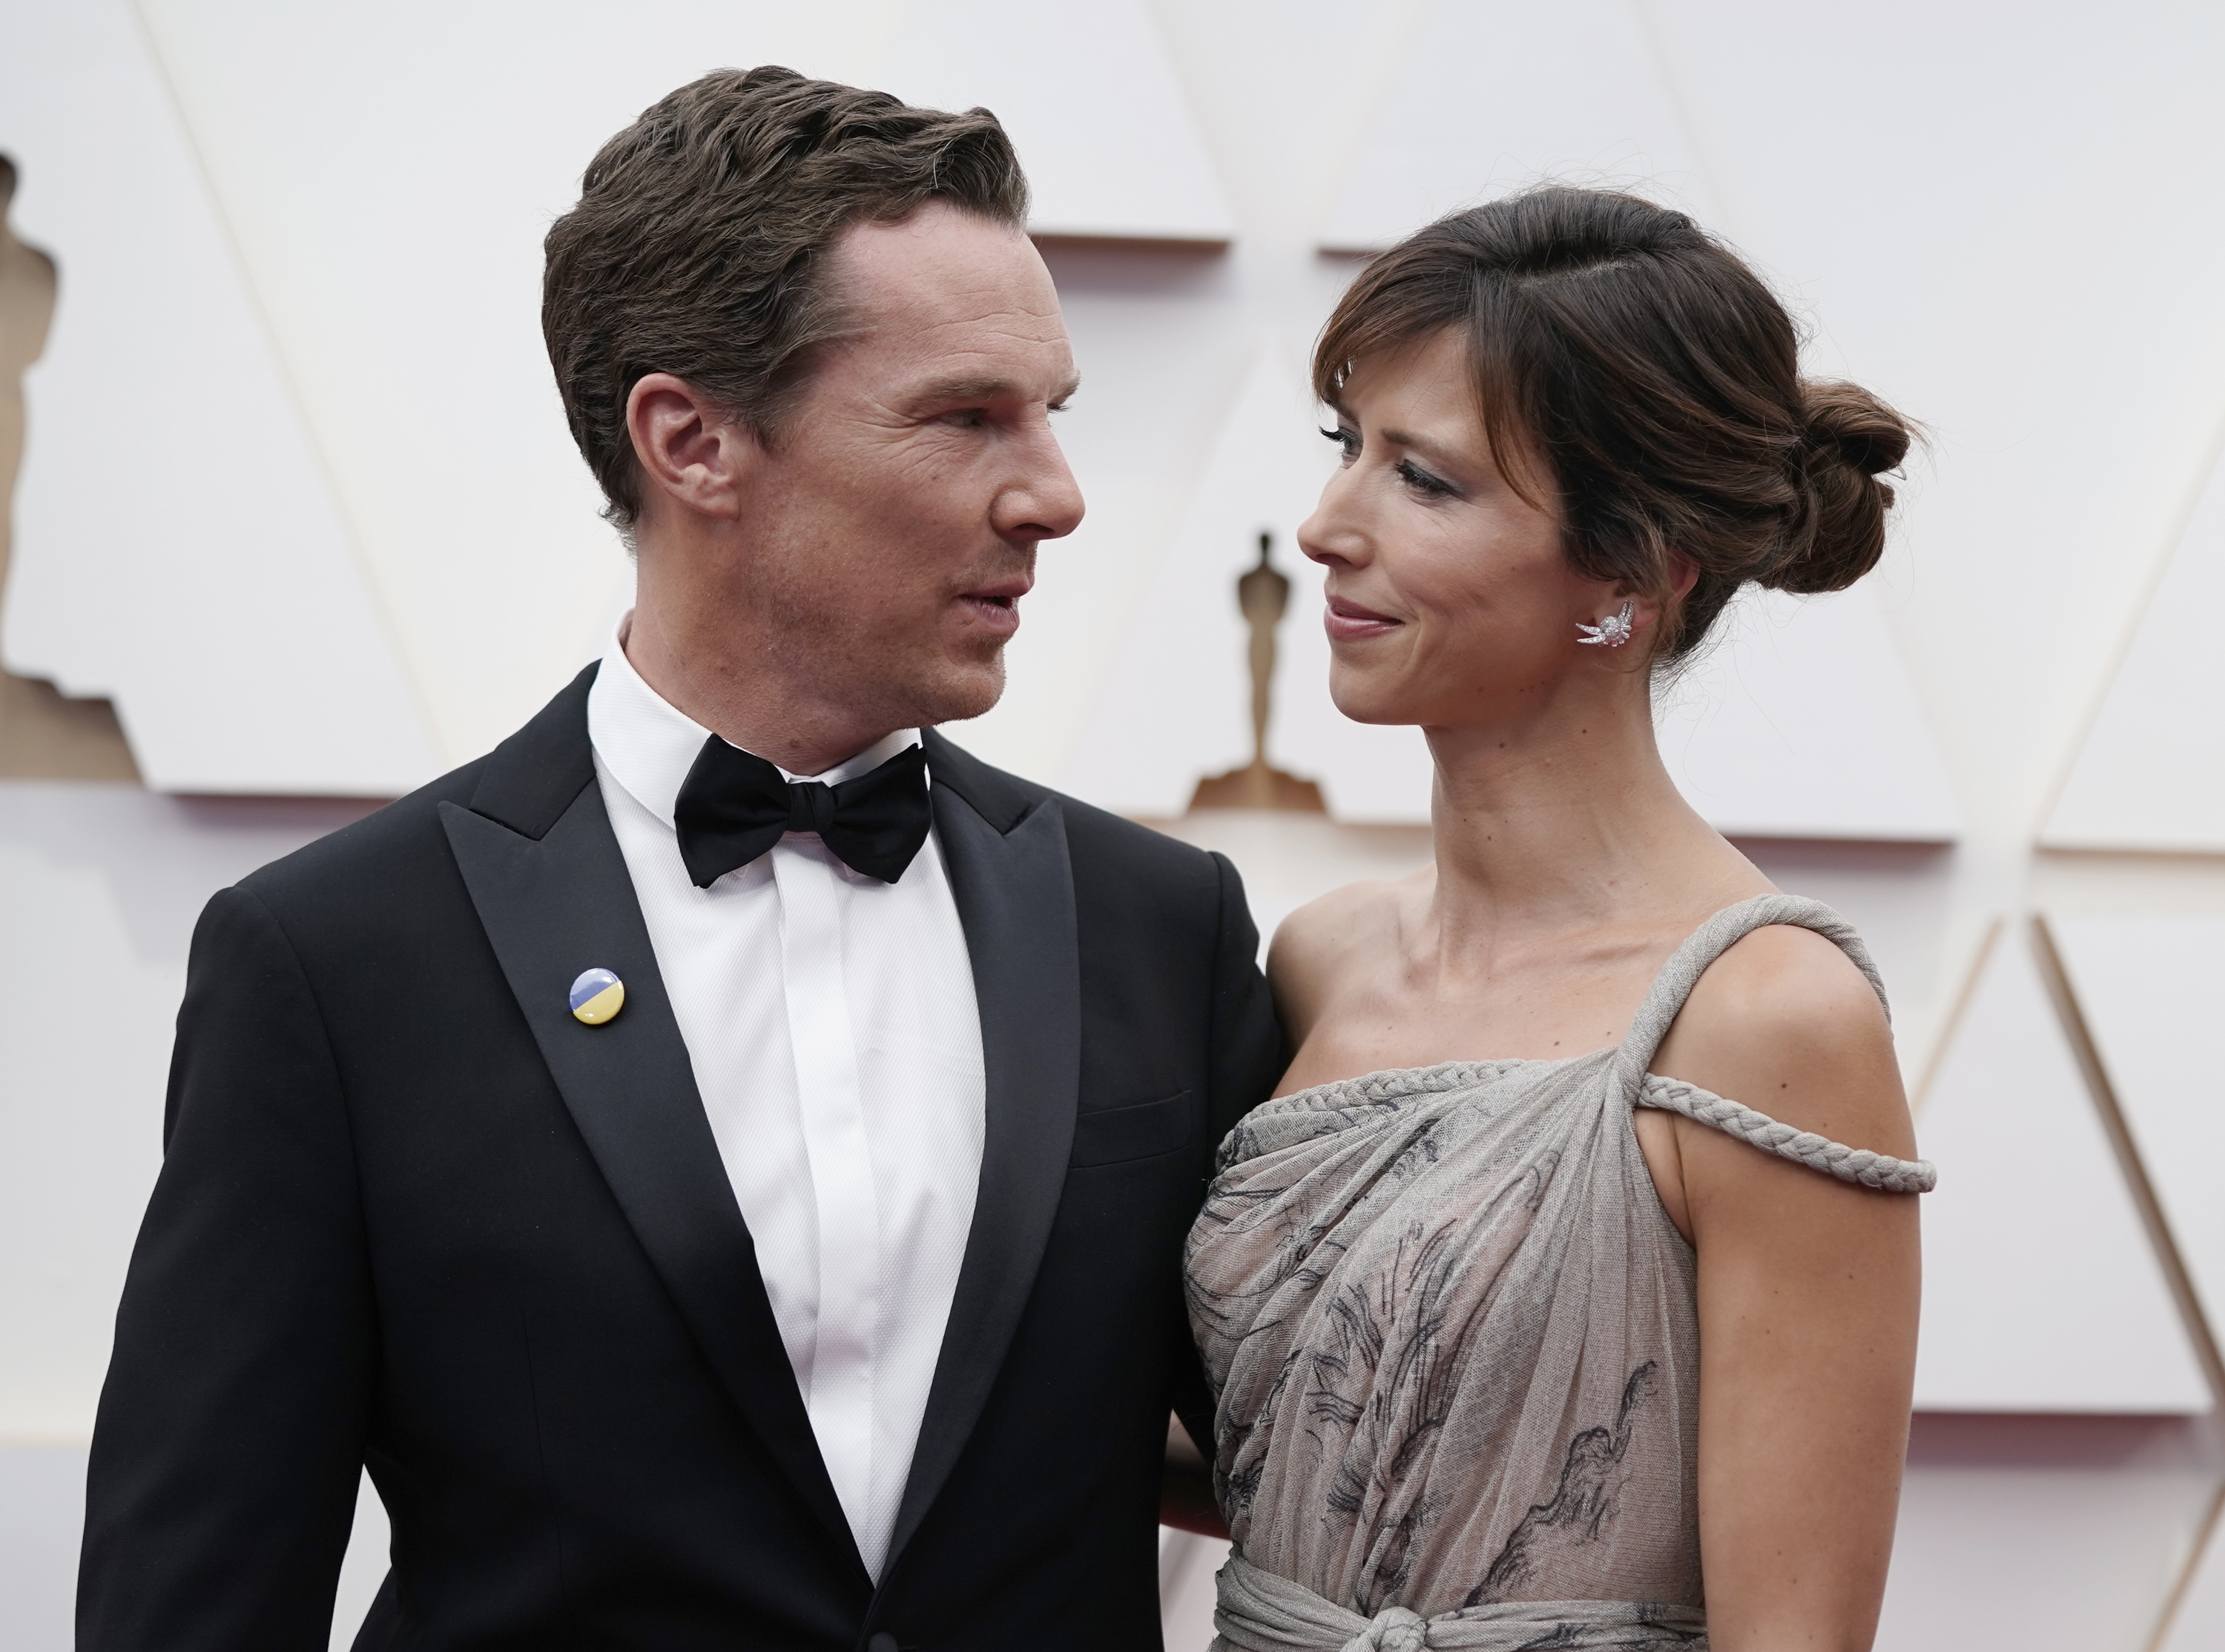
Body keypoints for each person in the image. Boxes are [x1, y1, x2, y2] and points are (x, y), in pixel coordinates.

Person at [78, 67, 1282, 1651]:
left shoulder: (1159, 929)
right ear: (693, 438)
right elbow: (198, 1594)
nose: (1052, 493)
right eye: (967, 416)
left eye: (1053, 410)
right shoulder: (337, 962)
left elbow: (1295, 1451)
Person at [1181, 188, 1933, 1651]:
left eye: (1429, 481)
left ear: (1634, 576)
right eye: (1348, 451)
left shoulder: (1768, 1017)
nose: (1329, 527)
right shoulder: (1319, 960)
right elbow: (1318, 1455)